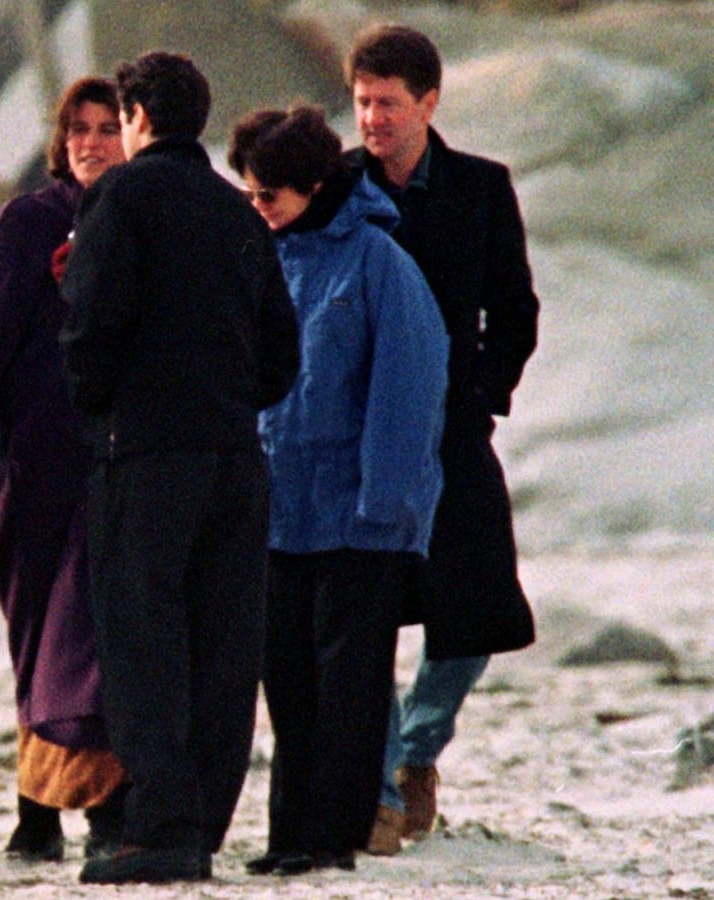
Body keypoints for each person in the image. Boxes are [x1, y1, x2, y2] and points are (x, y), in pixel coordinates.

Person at [58, 51, 301, 886]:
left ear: (134, 117)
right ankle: (203, 819)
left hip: (147, 454)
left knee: (144, 638)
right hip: (237, 456)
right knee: (224, 646)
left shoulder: (118, 196)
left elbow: (90, 329)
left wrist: (98, 407)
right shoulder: (240, 214)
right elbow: (282, 353)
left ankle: (162, 829)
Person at [226, 105, 448, 875]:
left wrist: (383, 503)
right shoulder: (268, 259)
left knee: (348, 689)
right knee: (285, 679)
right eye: (250, 195)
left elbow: (410, 389)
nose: (258, 209)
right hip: (280, 515)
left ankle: (332, 837)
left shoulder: (380, 265)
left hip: (360, 519)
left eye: (269, 196)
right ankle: (290, 834)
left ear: (313, 186)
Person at [341, 24, 539, 852]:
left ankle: (418, 748)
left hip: (452, 429)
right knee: (364, 610)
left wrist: (483, 395)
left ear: (429, 102)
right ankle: (385, 784)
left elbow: (516, 310)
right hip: (353, 433)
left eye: (388, 104)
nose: (373, 120)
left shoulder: (480, 188)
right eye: (361, 104)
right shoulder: (337, 187)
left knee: (481, 604)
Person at [0, 76, 131, 864]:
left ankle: (100, 807)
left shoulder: (146, 219)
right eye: (78, 128)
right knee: (39, 641)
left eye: (107, 128)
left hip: (119, 465)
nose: (91, 142)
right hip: (31, 469)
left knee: (95, 640)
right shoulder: (30, 223)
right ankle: (37, 811)